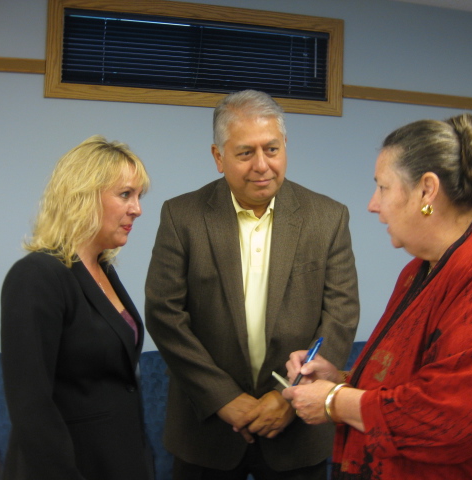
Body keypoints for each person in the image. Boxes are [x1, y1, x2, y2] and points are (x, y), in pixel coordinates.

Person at [283, 114, 472, 479]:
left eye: (383, 187)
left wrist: (335, 401)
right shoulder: (423, 268)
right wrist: (342, 380)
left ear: (427, 190)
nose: (372, 204)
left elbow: (457, 417)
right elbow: (420, 378)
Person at [145, 89, 360, 479]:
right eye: (245, 153)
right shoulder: (182, 216)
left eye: (272, 149)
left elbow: (340, 317)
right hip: (206, 430)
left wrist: (289, 397)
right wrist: (223, 398)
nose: (262, 165)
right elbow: (164, 315)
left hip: (297, 430)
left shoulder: (328, 218)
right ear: (218, 157)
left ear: (285, 146)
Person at [0, 135, 152, 480]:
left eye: (139, 196)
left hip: (117, 460)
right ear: (83, 195)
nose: (137, 209)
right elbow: (30, 407)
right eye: (125, 194)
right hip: (69, 466)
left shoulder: (104, 271)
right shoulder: (37, 275)